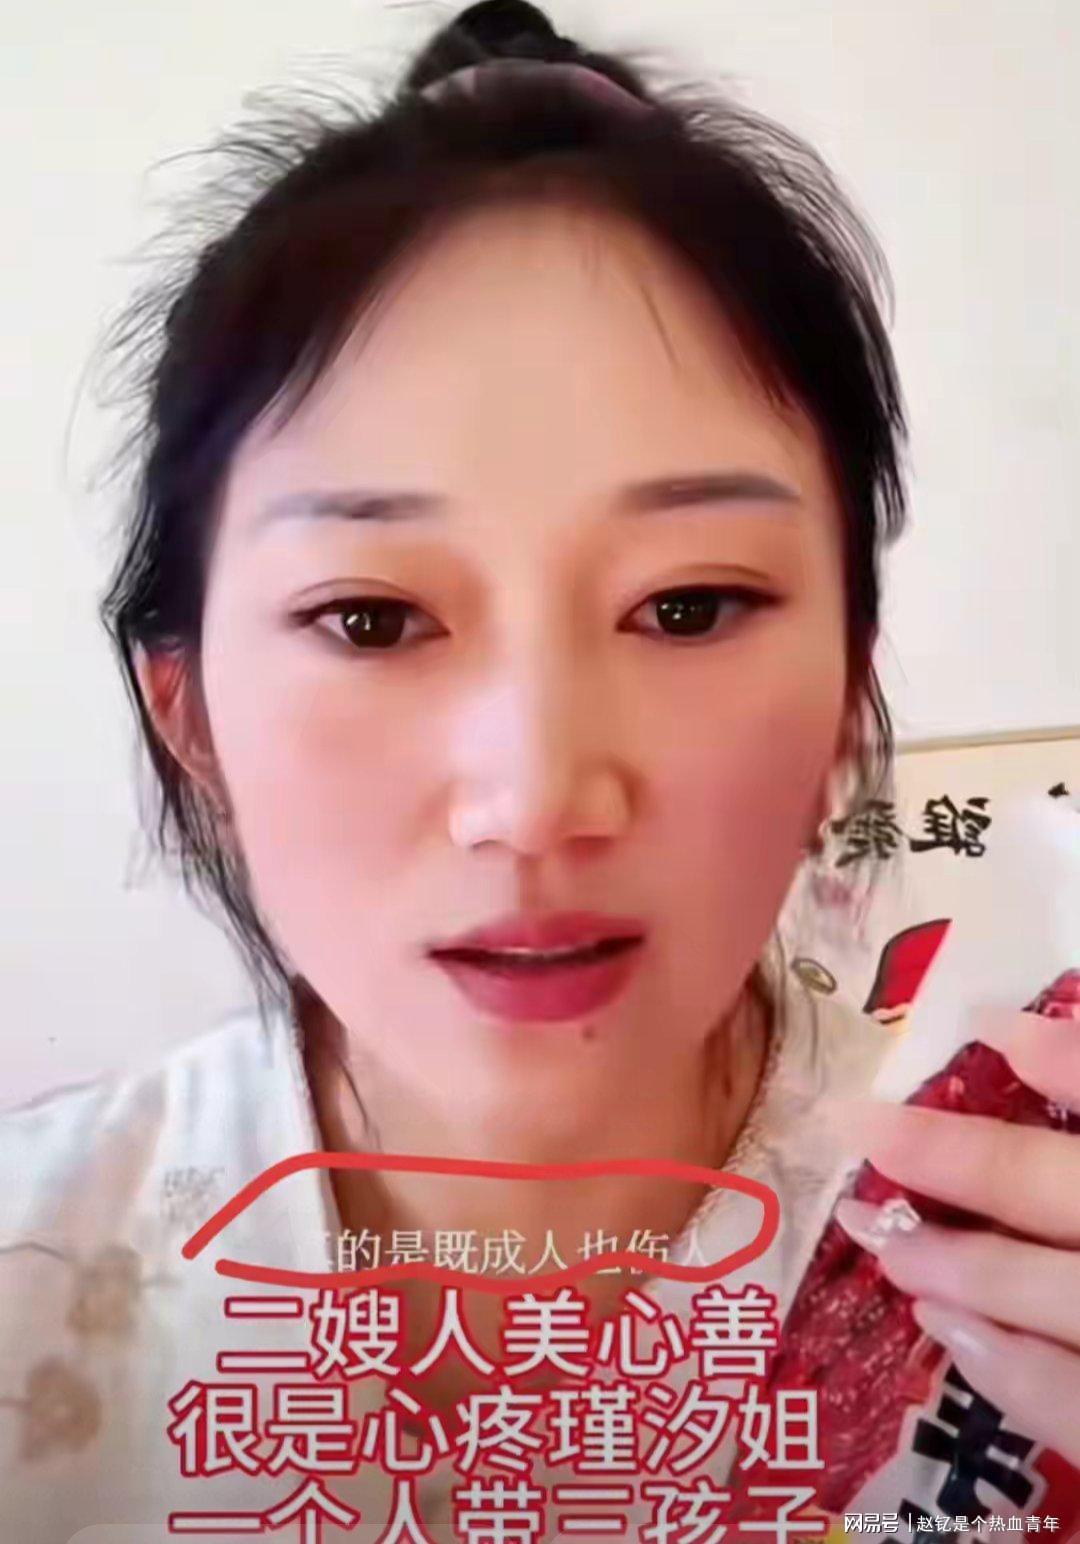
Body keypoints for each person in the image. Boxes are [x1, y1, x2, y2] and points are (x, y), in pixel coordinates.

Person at [2, 3, 1078, 1539]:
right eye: (372, 618)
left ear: (849, 685)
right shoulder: (31, 1272)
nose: (536, 801)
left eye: (687, 607)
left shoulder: (1006, 1239)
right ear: (190, 716)